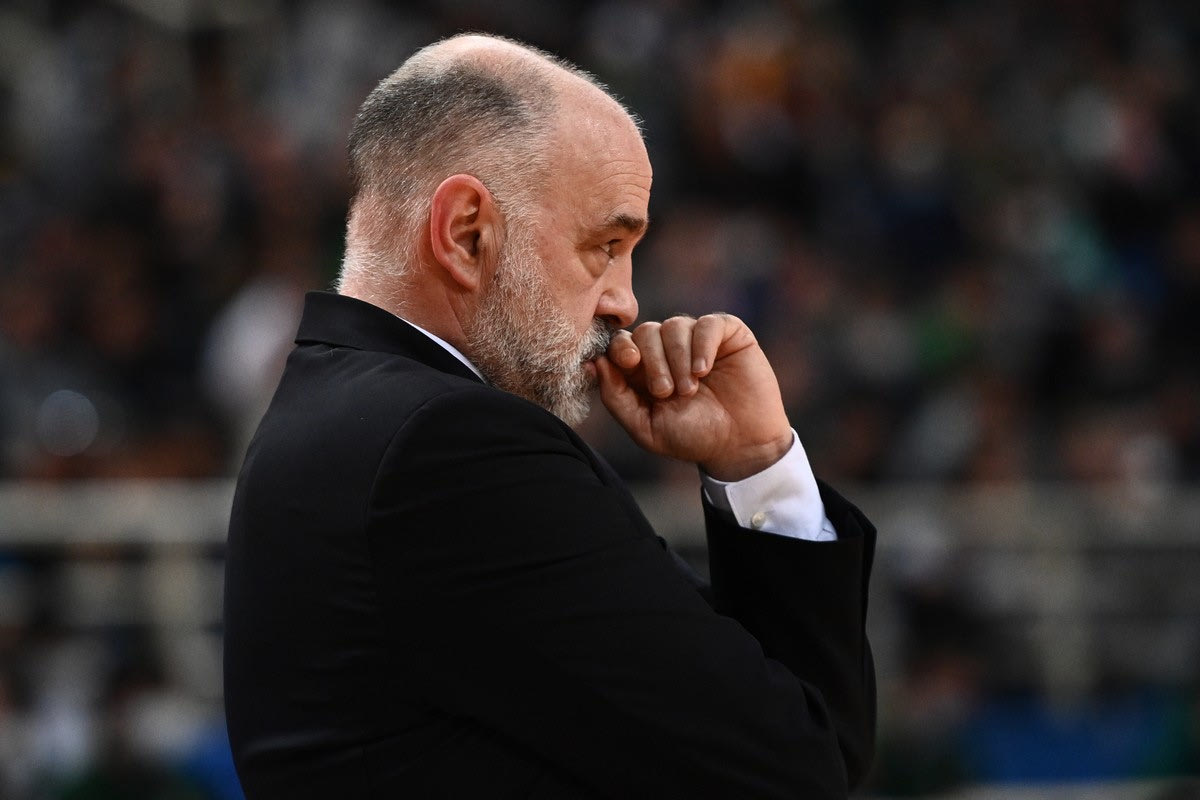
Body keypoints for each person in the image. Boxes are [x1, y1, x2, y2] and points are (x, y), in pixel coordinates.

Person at [223, 33, 876, 799]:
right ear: (466, 232)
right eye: (605, 245)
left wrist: (751, 459)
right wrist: (764, 464)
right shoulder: (452, 451)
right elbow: (797, 770)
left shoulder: (338, 412)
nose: (625, 302)